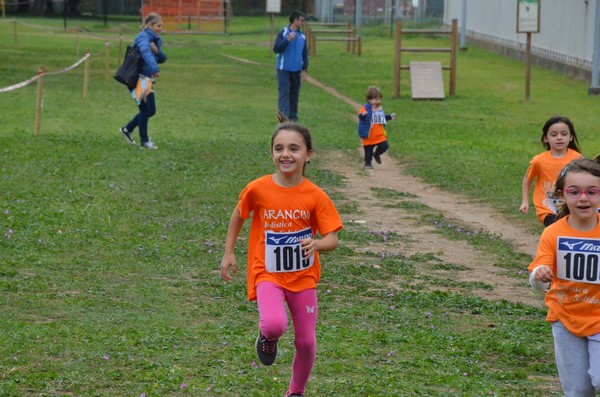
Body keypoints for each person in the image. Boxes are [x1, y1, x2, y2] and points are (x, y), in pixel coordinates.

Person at [220, 120, 343, 397]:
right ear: (271, 153)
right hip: (268, 273)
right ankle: (267, 337)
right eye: (279, 148)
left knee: (307, 343)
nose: (285, 154)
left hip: (303, 278)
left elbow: (333, 238)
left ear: (309, 154)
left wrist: (318, 243)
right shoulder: (258, 188)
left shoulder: (316, 196)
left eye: (294, 148)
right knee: (275, 324)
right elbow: (239, 215)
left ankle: (295, 392)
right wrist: (229, 252)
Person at [528, 158, 600, 397]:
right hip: (565, 317)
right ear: (562, 195)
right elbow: (538, 277)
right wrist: (539, 275)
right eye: (574, 191)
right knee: (578, 390)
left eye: (592, 192)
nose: (583, 198)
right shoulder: (553, 233)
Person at [520, 116, 582, 226]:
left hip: (570, 205)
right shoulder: (539, 160)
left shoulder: (577, 158)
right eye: (554, 135)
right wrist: (525, 201)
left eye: (564, 134)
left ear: (571, 137)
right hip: (546, 209)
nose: (559, 138)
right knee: (557, 228)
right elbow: (527, 178)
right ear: (546, 138)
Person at [119, 12, 167, 150]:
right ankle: (145, 142)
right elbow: (145, 53)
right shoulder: (143, 38)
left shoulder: (155, 39)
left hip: (146, 78)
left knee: (151, 110)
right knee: (145, 110)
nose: (160, 28)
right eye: (158, 25)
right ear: (149, 25)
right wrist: (155, 68)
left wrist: (157, 51)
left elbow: (162, 58)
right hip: (137, 78)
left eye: (161, 26)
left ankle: (127, 129)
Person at [273, 10, 308, 122]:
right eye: (302, 20)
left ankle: (293, 117)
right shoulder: (283, 33)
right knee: (284, 92)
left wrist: (304, 70)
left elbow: (304, 53)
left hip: (296, 70)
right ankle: (283, 118)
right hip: (283, 69)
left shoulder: (302, 36)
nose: (303, 22)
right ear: (295, 20)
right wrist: (287, 40)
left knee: (294, 93)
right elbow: (276, 49)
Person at [357, 86, 396, 169]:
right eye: (375, 99)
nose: (377, 101)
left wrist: (390, 117)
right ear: (368, 99)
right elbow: (360, 116)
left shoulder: (379, 109)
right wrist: (363, 115)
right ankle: (367, 163)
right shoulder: (365, 108)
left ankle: (377, 154)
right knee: (368, 151)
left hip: (378, 135)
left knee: (384, 146)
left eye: (379, 99)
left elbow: (381, 118)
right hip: (368, 135)